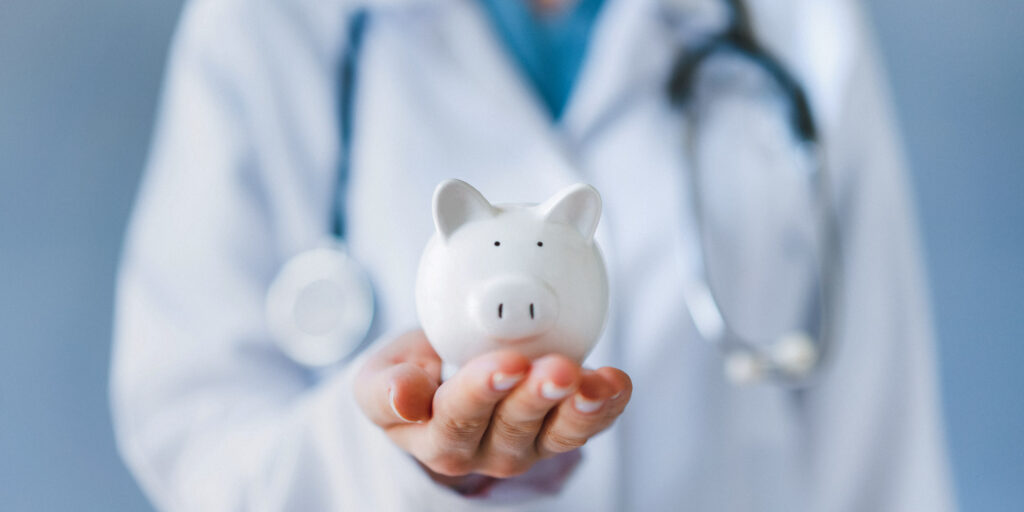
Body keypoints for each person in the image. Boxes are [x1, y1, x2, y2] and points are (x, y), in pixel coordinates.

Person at [111, 0, 955, 510]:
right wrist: (393, 460)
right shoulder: (273, 25)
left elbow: (880, 429)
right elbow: (194, 424)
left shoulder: (789, 22)